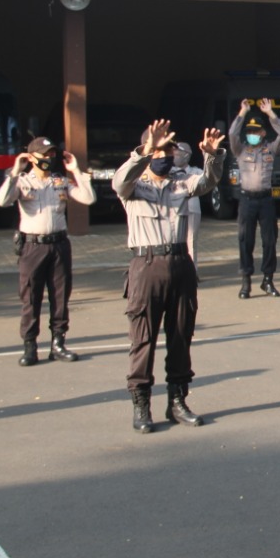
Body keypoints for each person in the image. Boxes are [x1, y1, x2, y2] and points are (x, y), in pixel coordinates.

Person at [113, 120, 225, 433]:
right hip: (146, 265)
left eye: (169, 151)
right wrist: (143, 152)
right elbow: (119, 182)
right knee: (143, 338)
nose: (166, 156)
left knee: (180, 336)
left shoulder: (181, 180)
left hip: (180, 262)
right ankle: (141, 404)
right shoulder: (134, 184)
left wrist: (212, 156)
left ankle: (177, 400)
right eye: (160, 151)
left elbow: (208, 183)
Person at [0, 136, 96, 367]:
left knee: (60, 296)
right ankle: (30, 345)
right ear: (31, 158)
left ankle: (58, 344)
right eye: (45, 154)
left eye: (52, 154)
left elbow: (89, 198)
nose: (49, 158)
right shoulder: (22, 182)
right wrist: (14, 171)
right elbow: (1, 201)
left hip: (59, 244)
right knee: (31, 297)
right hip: (32, 246)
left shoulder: (59, 181)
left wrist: (77, 171)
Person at [229, 98, 280, 299]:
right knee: (245, 240)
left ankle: (268, 280)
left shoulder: (270, 149)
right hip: (247, 200)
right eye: (250, 132)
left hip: (266, 201)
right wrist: (242, 113)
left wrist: (271, 113)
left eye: (256, 131)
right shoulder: (240, 149)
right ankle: (246, 281)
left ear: (263, 133)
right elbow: (231, 133)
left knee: (269, 240)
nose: (252, 135)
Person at [171, 141, 203, 269]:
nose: (175, 155)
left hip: (192, 209)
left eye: (178, 152)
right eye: (173, 153)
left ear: (186, 155)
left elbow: (208, 179)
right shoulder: (169, 171)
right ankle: (175, 268)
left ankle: (192, 270)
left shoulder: (196, 171)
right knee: (173, 240)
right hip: (174, 210)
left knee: (191, 240)